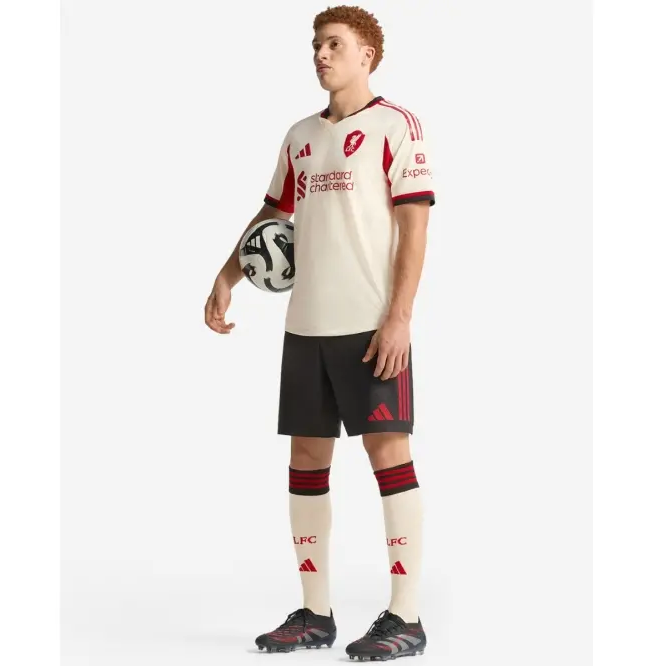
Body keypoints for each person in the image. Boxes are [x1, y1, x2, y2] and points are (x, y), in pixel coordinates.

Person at [204, 5, 434, 661]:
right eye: (316, 45)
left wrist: (399, 317)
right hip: (306, 325)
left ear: (367, 55)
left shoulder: (396, 126)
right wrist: (226, 275)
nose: (321, 54)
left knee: (388, 455)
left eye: (334, 44)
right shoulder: (300, 135)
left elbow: (415, 226)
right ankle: (315, 613)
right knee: (307, 459)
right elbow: (272, 212)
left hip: (371, 326)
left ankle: (406, 617)